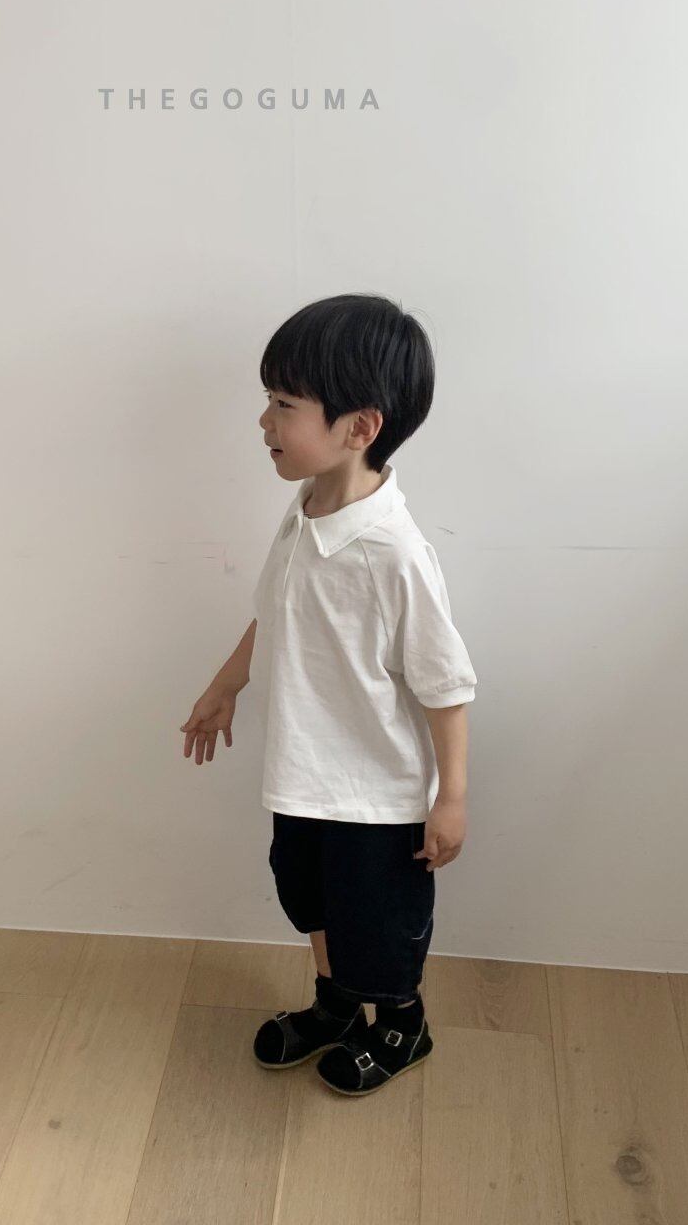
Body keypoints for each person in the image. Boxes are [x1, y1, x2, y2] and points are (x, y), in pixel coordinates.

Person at [180, 293, 478, 1097]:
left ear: (359, 427)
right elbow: (276, 611)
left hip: (376, 796)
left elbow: (446, 686)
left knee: (376, 922)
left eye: (285, 404)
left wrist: (451, 798)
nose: (264, 421)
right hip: (303, 775)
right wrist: (225, 685)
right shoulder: (306, 509)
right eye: (269, 400)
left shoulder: (394, 554)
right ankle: (337, 1004)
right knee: (310, 898)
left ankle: (403, 1023)